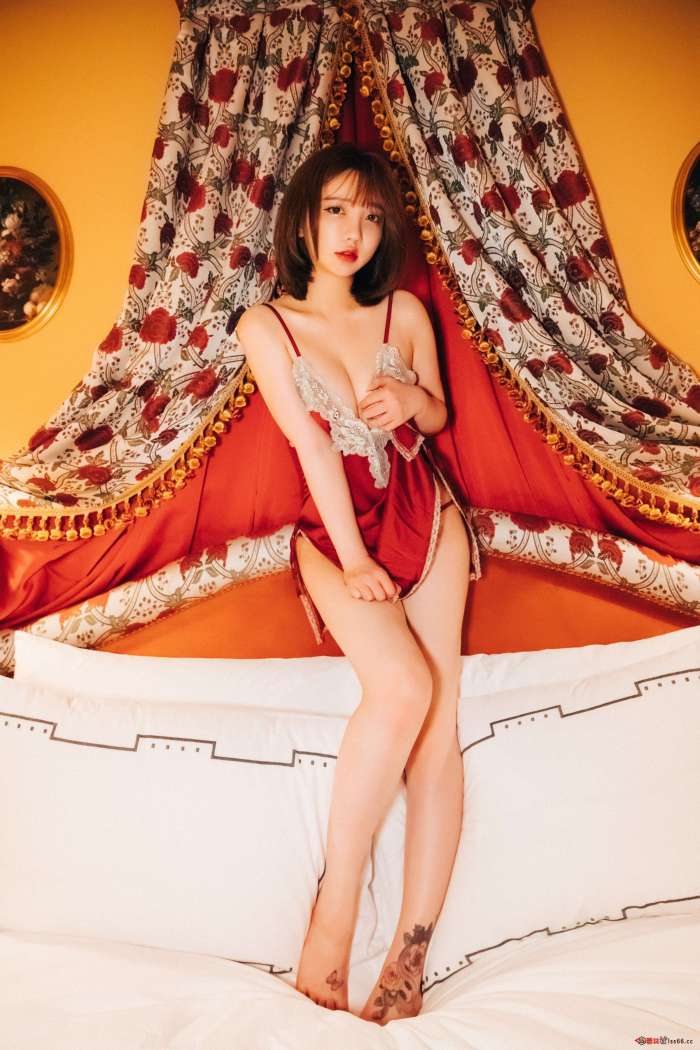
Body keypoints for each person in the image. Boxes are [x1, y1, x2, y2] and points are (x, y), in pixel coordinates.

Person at [236, 142, 482, 1025]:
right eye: (337, 209)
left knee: (437, 730)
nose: (354, 232)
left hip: (425, 509)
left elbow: (438, 414)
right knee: (403, 687)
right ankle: (334, 914)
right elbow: (310, 444)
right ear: (303, 218)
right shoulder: (266, 325)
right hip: (337, 529)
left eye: (373, 216)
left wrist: (412, 404)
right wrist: (354, 560)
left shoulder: (402, 311)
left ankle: (408, 959)